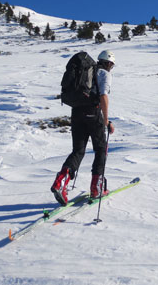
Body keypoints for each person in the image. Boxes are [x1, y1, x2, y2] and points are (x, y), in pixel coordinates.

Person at [51, 50, 116, 205]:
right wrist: (106, 120)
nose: (111, 68)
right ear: (108, 63)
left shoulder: (86, 70)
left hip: (76, 112)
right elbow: (103, 97)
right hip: (93, 112)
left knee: (78, 151)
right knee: (100, 149)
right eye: (111, 65)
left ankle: (60, 182)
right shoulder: (104, 74)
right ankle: (96, 188)